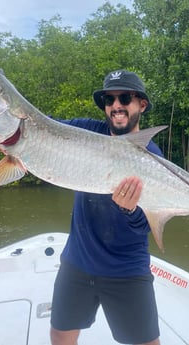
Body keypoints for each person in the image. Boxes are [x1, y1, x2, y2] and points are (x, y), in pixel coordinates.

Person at [50, 70, 162, 345]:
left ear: (142, 105)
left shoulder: (152, 158)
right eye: (108, 100)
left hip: (126, 269)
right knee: (60, 334)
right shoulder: (88, 132)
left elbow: (145, 225)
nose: (116, 106)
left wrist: (129, 209)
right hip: (77, 262)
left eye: (125, 98)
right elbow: (42, 126)